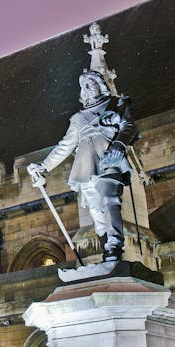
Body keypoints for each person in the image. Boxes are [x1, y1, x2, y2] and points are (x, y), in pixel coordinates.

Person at [28, 70, 138, 261]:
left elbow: (129, 126)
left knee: (110, 200)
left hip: (108, 160)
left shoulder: (116, 103)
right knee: (96, 211)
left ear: (100, 84)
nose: (86, 89)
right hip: (86, 167)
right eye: (83, 86)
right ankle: (107, 247)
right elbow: (65, 146)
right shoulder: (78, 119)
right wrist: (43, 167)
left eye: (90, 83)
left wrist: (119, 144)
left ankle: (114, 246)